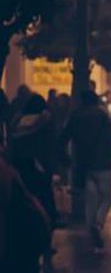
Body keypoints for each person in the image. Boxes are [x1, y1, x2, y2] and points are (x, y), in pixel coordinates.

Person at [58, 90, 111, 249]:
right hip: (102, 163)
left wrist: (65, 159)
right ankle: (97, 223)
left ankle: (92, 228)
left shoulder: (75, 116)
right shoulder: (103, 117)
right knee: (106, 199)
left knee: (91, 199)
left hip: (83, 165)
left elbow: (63, 138)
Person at [10, 94, 58, 235]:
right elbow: (48, 145)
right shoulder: (45, 119)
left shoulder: (18, 120)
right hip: (38, 165)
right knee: (44, 199)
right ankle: (46, 234)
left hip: (20, 165)